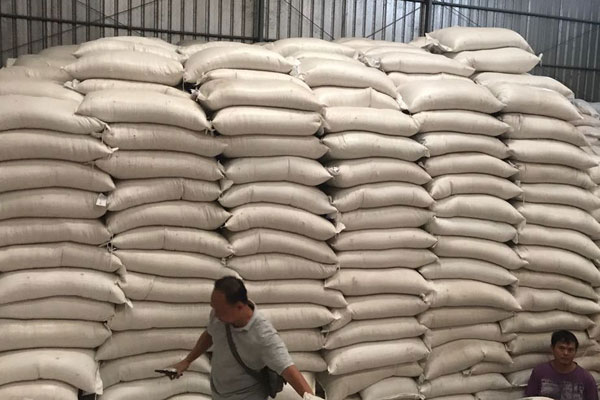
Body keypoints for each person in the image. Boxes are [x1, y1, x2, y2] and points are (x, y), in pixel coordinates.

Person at [171, 276, 314, 400]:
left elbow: (288, 369)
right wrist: (187, 361)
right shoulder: (219, 316)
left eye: (220, 311)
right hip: (220, 394)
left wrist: (311, 398)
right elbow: (210, 334)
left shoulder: (263, 335)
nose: (215, 314)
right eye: (213, 308)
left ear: (239, 307)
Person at [524, 330, 598, 400]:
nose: (566, 353)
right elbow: (530, 398)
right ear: (552, 348)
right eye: (561, 348)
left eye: (570, 350)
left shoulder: (586, 379)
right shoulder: (539, 372)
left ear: (575, 352)